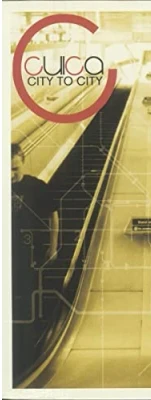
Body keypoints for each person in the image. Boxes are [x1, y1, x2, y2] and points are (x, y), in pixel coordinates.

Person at [11, 142, 59, 381]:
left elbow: (53, 213)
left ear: (23, 162)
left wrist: (53, 246)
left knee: (26, 304)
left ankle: (27, 352)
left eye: (15, 169)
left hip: (27, 258)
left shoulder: (35, 187)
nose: (10, 174)